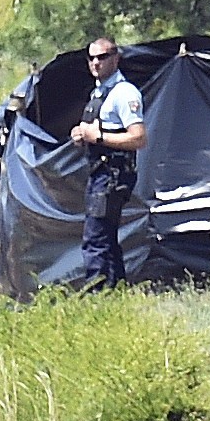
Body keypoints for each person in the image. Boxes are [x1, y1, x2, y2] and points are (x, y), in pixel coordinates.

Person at [69, 37, 147, 290]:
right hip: (99, 172)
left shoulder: (124, 93)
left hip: (113, 175)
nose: (96, 63)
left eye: (102, 57)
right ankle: (117, 292)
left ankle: (97, 296)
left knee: (95, 239)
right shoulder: (100, 92)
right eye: (91, 58)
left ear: (116, 58)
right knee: (107, 238)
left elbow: (138, 138)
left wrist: (99, 137)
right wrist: (83, 136)